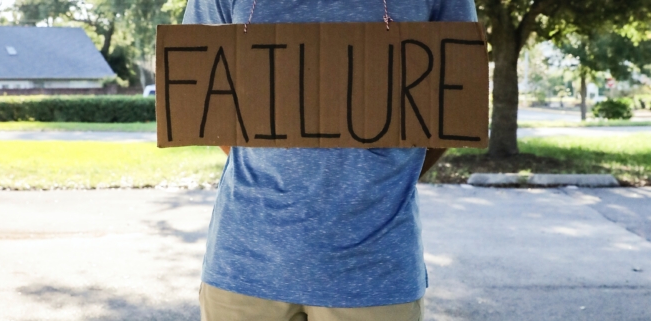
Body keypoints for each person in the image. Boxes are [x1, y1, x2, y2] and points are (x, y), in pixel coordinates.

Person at [182, 0, 478, 320]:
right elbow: (206, 95)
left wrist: (387, 173)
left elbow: (454, 104)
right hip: (244, 269)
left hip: (374, 273)